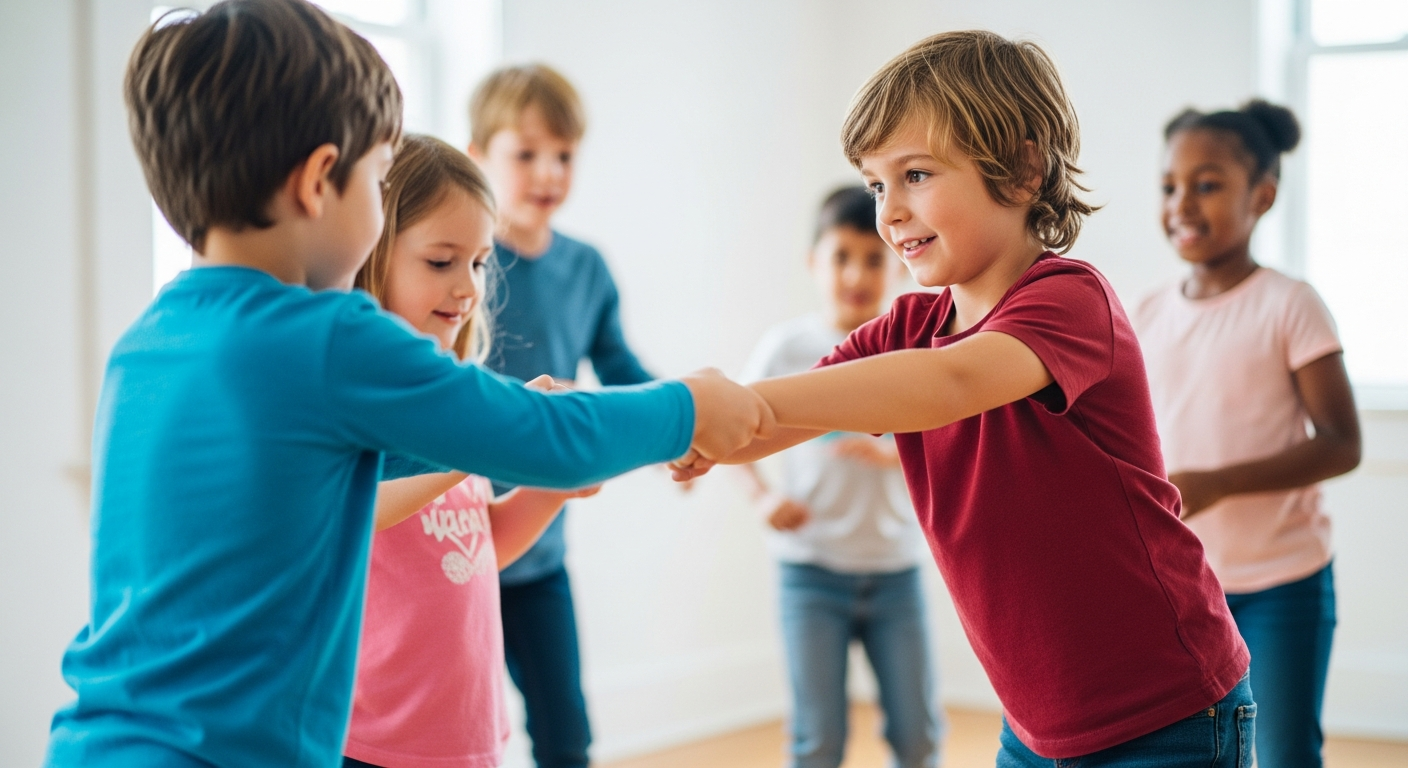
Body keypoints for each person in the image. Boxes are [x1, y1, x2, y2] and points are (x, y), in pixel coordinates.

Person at [44, 4, 772, 766]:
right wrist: (692, 405)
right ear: (320, 180)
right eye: (380, 177)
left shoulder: (148, 344)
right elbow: (549, 438)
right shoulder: (327, 340)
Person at [673, 31, 1255, 765]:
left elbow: (945, 384)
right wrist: (675, 422)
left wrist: (727, 408)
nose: (888, 212)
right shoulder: (911, 324)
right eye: (876, 185)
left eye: (915, 174)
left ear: (1020, 167)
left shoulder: (1070, 300)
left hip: (1166, 709)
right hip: (1037, 722)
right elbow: (790, 412)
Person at [342, 135, 604, 768]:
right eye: (440, 261)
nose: (467, 287)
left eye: (480, 263)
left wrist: (549, 488)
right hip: (372, 745)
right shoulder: (352, 396)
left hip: (465, 738)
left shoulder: (458, 394)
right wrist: (485, 438)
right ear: (373, 255)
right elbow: (352, 513)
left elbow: (475, 549)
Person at [1133, 100, 1361, 768]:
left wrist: (1220, 482)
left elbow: (1342, 444)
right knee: (1190, 751)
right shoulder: (1145, 310)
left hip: (1282, 583)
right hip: (1180, 587)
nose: (1182, 203)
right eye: (1170, 186)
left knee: (1287, 753)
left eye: (1207, 185)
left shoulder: (1291, 305)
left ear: (1262, 195)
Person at [466, 63, 651, 768]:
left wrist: (685, 422)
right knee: (455, 731)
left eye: (564, 154)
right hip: (458, 545)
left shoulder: (586, 269)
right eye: (527, 152)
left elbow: (622, 369)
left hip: (540, 554)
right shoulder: (465, 266)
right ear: (480, 155)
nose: (548, 171)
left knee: (566, 735)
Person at [737, 186, 941, 768]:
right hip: (809, 572)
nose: (857, 273)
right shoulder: (787, 348)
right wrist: (761, 499)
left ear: (898, 263)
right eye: (841, 257)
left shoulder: (914, 349)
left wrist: (898, 452)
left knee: (917, 734)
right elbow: (739, 430)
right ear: (813, 263)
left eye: (874, 259)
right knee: (817, 739)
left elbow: (954, 437)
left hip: (895, 572)